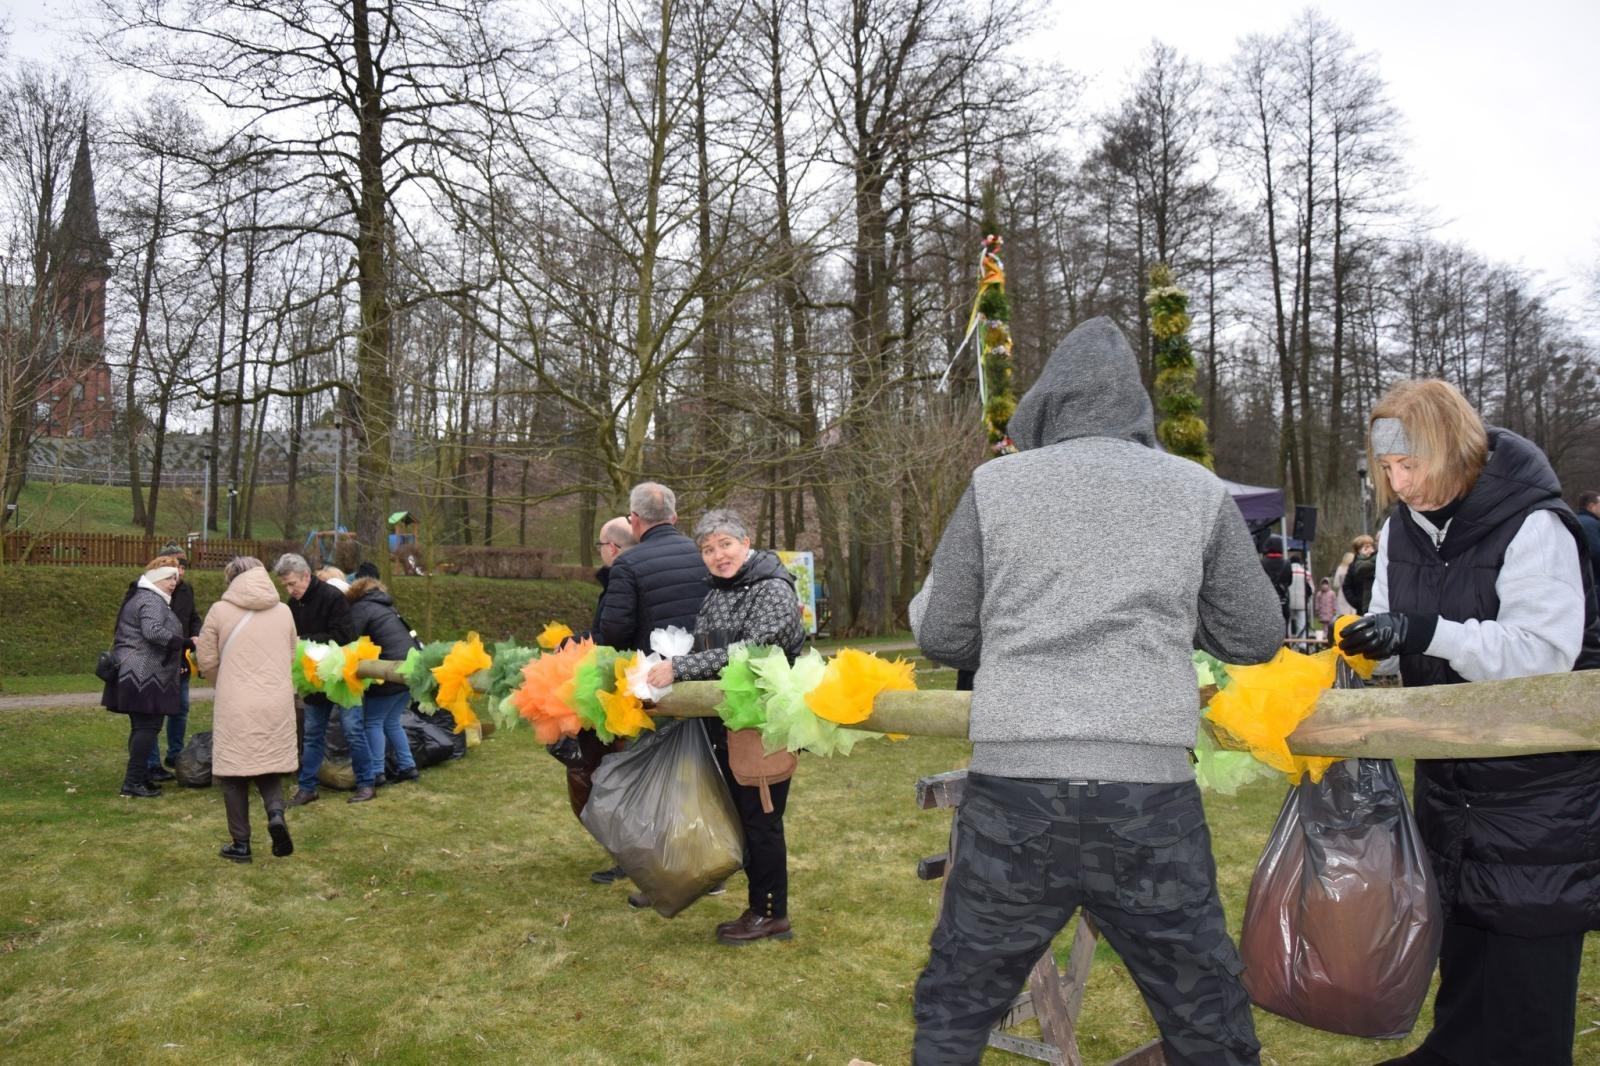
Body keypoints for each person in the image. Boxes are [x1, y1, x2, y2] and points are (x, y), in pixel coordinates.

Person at [909, 316, 1283, 1065]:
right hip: (1148, 796)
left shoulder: (997, 485)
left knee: (955, 1005)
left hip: (1015, 793)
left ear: (1044, 404)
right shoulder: (1195, 490)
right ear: (1139, 408)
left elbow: (943, 635)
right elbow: (1255, 634)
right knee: (1205, 1011)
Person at [1336, 378, 1598, 1066]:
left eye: (1410, 465)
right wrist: (1373, 650)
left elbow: (1543, 655)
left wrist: (1427, 631)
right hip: (1450, 784)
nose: (1399, 482)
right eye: (1387, 468)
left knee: (1526, 988)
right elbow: (1404, 640)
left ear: (1451, 449)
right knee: (1467, 961)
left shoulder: (1534, 524)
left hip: (1536, 792)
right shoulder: (1400, 528)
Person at [645, 509, 807, 945]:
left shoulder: (772, 587)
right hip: (723, 724)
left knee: (762, 820)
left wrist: (682, 667)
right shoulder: (718, 592)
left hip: (761, 723)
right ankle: (757, 905)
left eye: (725, 545)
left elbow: (755, 650)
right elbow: (709, 647)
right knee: (742, 817)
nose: (718, 556)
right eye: (708, 549)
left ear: (746, 541)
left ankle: (771, 913)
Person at [195, 556, 298, 863]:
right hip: (276, 699)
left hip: (236, 701)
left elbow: (207, 660)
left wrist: (221, 681)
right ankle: (276, 813)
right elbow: (292, 654)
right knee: (268, 764)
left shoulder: (219, 610)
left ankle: (241, 843)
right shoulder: (284, 611)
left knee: (234, 774)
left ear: (232, 579)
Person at [571, 515, 636, 885]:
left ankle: (626, 852)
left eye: (600, 545)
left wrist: (579, 643)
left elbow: (610, 634)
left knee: (607, 771)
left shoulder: (621, 579)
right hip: (626, 685)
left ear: (611, 547)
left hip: (618, 690)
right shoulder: (624, 577)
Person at [274, 553, 366, 806]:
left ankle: (367, 783)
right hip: (313, 677)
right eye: (285, 586)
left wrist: (307, 641)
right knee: (313, 733)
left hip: (341, 674)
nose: (290, 590)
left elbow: (345, 634)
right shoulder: (293, 606)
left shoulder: (332, 597)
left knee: (353, 730)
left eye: (293, 583)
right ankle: (307, 787)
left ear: (306, 575)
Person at [103, 560, 192, 798]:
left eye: (175, 578)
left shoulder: (145, 596)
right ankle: (132, 782)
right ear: (155, 579)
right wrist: (184, 643)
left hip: (138, 672)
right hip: (144, 674)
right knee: (147, 727)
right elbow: (152, 631)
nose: (174, 583)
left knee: (141, 727)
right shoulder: (151, 599)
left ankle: (139, 777)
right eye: (168, 578)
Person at [597, 482, 708, 654]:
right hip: (708, 662)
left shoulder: (627, 564)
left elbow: (615, 634)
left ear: (634, 519)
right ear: (674, 517)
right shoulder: (706, 553)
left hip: (653, 670)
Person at [345, 575, 420, 787]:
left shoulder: (361, 608)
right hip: (408, 670)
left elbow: (350, 637)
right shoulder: (387, 606)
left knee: (373, 721)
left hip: (388, 671)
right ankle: (408, 766)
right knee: (392, 721)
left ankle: (377, 771)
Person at [148, 544, 201, 779]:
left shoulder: (186, 590)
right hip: (159, 660)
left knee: (180, 707)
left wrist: (196, 633)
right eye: (176, 565)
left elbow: (193, 616)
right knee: (153, 710)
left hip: (183, 656)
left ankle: (175, 754)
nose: (180, 571)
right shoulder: (153, 592)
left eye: (183, 566)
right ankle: (151, 763)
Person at [1341, 533, 1377, 613]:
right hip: (1362, 607)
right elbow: (1347, 586)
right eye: (1365, 547)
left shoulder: (1377, 561)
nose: (1369, 549)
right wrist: (1356, 602)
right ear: (1358, 550)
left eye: (1371, 546)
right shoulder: (1354, 566)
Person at [1577, 490, 1600, 592]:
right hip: (1593, 581)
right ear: (1591, 506)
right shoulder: (1590, 524)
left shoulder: (1576, 520)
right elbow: (1596, 552)